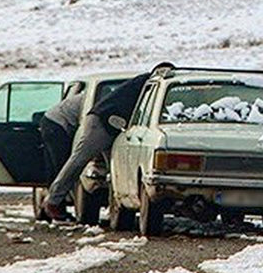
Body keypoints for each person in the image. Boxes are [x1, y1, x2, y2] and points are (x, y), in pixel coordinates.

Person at [42, 64, 171, 221]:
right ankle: (53, 201)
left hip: (114, 125)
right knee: (79, 160)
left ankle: (117, 210)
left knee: (116, 170)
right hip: (102, 122)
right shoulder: (147, 85)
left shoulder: (146, 84)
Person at [39, 88, 85, 210]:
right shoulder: (88, 100)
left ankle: (52, 202)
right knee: (62, 167)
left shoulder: (83, 96)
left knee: (56, 167)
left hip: (51, 121)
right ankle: (55, 205)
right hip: (56, 125)